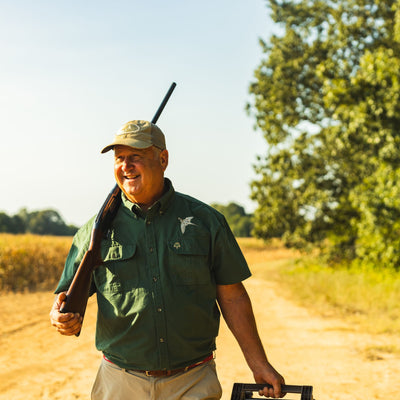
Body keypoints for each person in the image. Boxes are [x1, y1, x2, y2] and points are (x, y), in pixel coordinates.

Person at [50, 120, 285, 400]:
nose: (126, 166)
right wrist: (61, 317)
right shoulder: (93, 232)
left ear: (163, 159)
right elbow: (64, 299)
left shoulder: (206, 221)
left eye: (136, 157)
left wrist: (259, 364)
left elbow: (232, 296)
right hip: (120, 383)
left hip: (193, 381)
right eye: (119, 158)